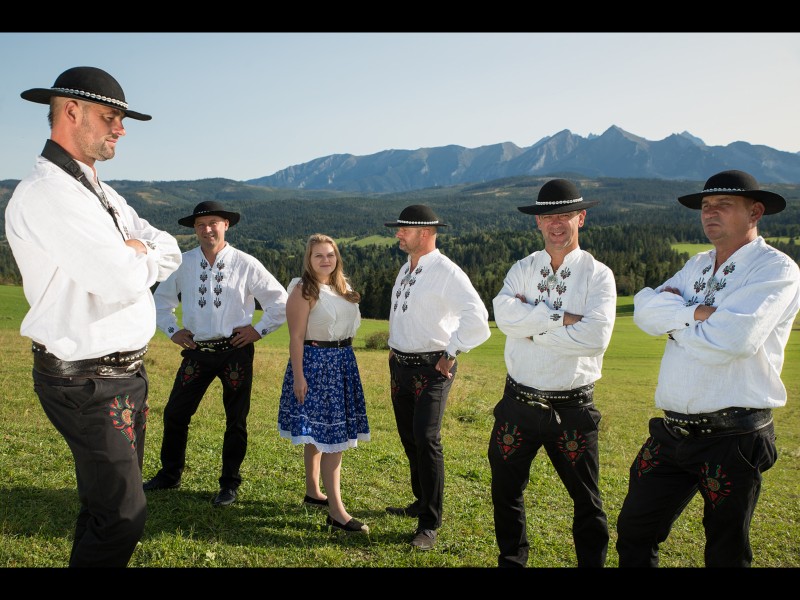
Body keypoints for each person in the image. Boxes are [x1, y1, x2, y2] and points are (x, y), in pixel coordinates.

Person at [4, 66, 182, 567]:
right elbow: (119, 279)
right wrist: (135, 255)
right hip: (86, 380)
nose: (120, 129)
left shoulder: (97, 190)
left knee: (104, 507)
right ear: (71, 111)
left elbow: (166, 244)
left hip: (122, 375)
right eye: (110, 117)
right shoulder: (47, 193)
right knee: (124, 516)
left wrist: (137, 250)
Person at [616, 170, 800, 568]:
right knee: (634, 531)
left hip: (734, 436)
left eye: (723, 205)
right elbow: (645, 311)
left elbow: (734, 340)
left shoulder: (775, 269)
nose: (710, 213)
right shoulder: (696, 264)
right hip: (672, 432)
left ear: (755, 212)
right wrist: (700, 314)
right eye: (705, 205)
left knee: (725, 551)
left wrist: (675, 320)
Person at [487, 179, 616, 568]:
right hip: (518, 404)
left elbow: (594, 339)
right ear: (538, 222)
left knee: (586, 500)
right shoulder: (523, 268)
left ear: (581, 218)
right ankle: (512, 561)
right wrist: (562, 319)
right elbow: (503, 315)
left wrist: (531, 327)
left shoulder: (598, 275)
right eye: (548, 217)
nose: (557, 224)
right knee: (505, 490)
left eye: (565, 215)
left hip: (572, 409)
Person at [142, 201, 288, 507]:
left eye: (213, 223)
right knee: (175, 413)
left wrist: (258, 330)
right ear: (195, 229)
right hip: (197, 350)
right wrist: (173, 330)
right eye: (200, 225)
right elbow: (160, 301)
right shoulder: (184, 263)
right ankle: (170, 474)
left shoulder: (245, 262)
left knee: (236, 419)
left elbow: (279, 301)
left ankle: (229, 484)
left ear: (226, 225)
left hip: (235, 352)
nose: (207, 229)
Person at [383, 204, 491, 551]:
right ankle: (420, 501)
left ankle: (429, 524)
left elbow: (478, 318)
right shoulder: (407, 268)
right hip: (400, 366)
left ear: (426, 233)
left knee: (426, 439)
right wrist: (393, 346)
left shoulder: (447, 272)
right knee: (409, 438)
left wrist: (452, 351)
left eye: (404, 229)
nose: (398, 234)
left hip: (433, 368)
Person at [277, 234, 371, 533]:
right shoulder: (303, 290)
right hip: (316, 365)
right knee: (332, 439)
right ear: (309, 259)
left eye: (330, 254)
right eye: (318, 255)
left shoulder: (343, 289)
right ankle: (337, 512)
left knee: (320, 434)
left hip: (343, 362)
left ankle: (312, 491)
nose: (325, 260)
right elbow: (295, 337)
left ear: (337, 258)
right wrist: (299, 376)